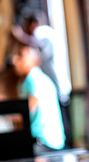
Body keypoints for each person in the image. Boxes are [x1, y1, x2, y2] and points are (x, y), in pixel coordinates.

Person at [17, 9, 72, 147]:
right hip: (58, 86)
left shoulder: (42, 32)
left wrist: (19, 36)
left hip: (58, 86)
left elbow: (34, 45)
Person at [10, 39, 65, 153]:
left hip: (44, 142)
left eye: (20, 56)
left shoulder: (34, 78)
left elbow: (28, 109)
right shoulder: (26, 80)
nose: (14, 60)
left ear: (33, 60)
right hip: (43, 142)